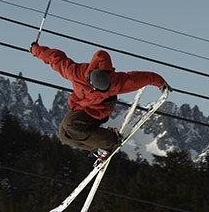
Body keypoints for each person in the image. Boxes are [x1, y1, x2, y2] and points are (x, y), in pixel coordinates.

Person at [29, 42, 171, 158]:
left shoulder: (115, 81)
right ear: (90, 81)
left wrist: (160, 82)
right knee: (63, 134)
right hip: (81, 106)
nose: (103, 92)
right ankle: (98, 147)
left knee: (70, 126)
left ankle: (110, 140)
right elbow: (55, 58)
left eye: (105, 89)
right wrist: (36, 49)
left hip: (101, 110)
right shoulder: (75, 72)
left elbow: (138, 78)